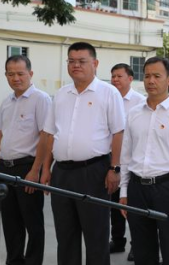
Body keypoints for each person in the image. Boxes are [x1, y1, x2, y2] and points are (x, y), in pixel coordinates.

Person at [41, 42, 125, 265]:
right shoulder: (60, 95)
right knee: (65, 234)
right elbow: (50, 134)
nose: (75, 65)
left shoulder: (108, 93)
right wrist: (45, 169)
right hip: (61, 173)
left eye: (82, 61)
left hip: (94, 172)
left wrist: (114, 169)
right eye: (71, 61)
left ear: (95, 64)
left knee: (96, 235)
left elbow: (118, 133)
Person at [119, 57, 169, 265]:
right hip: (137, 188)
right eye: (147, 76)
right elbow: (126, 155)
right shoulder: (134, 114)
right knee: (142, 251)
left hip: (167, 189)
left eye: (157, 76)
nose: (151, 80)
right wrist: (124, 191)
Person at [0, 55, 51, 265]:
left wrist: (36, 170)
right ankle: (14, 260)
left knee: (32, 222)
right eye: (11, 74)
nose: (16, 78)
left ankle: (33, 261)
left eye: (20, 73)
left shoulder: (41, 99)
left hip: (27, 168)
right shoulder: (7, 102)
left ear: (30, 74)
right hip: (4, 170)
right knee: (10, 222)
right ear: (6, 75)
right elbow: (0, 137)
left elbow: (46, 135)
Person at [109, 63, 146, 259]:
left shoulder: (140, 102)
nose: (115, 79)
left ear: (130, 79)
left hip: (132, 159)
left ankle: (136, 244)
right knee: (114, 203)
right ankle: (117, 239)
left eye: (119, 76)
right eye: (113, 76)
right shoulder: (107, 98)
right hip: (111, 158)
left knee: (130, 203)